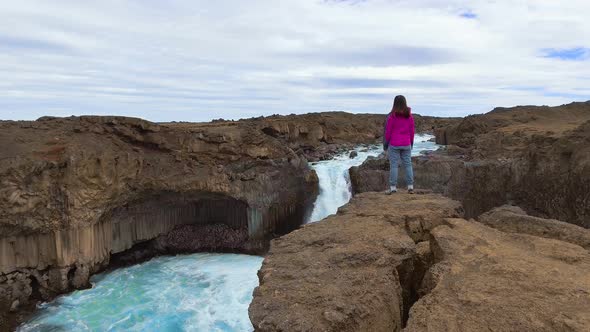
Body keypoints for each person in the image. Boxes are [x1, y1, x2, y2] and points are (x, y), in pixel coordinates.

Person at [383, 95, 415, 194]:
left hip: (394, 144)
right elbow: (412, 131)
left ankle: (393, 187)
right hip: (406, 143)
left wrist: (385, 144)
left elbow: (388, 132)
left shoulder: (392, 116)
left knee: (394, 165)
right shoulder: (409, 116)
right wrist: (411, 143)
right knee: (408, 165)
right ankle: (410, 186)